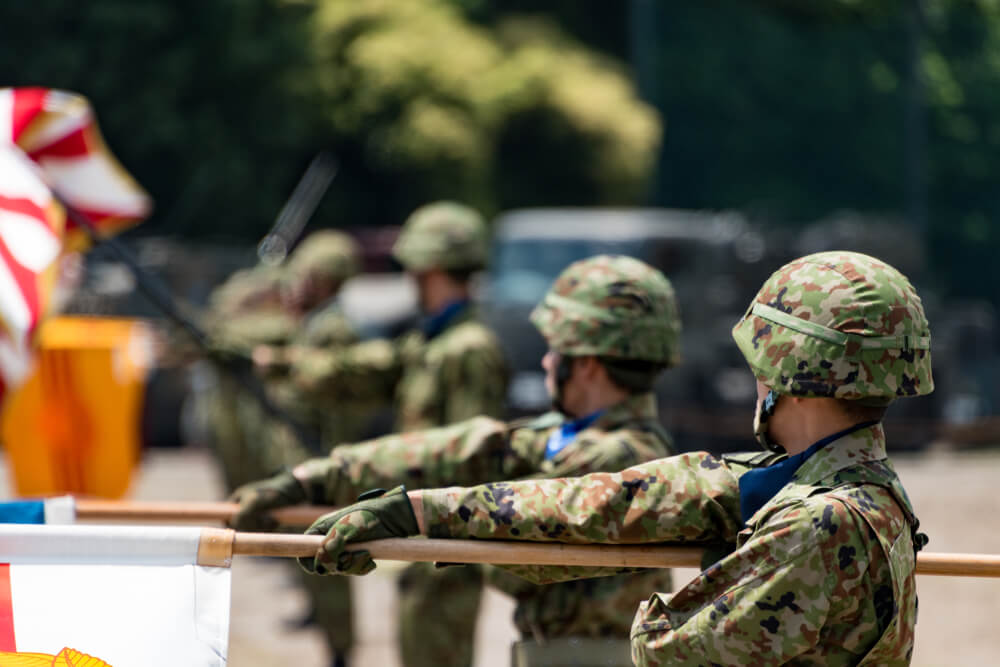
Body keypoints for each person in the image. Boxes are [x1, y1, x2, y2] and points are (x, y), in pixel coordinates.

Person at [305, 250, 932, 666]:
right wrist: (416, 512)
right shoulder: (812, 484)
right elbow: (600, 502)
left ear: (786, 368)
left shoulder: (818, 524)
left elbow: (665, 653)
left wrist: (673, 575)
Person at [230, 255, 683, 667]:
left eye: (555, 350)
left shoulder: (619, 459)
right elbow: (459, 449)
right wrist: (317, 478)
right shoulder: (574, 435)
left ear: (586, 364)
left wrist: (405, 521)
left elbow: (509, 533)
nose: (546, 362)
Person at [243, 202, 508, 667]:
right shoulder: (431, 342)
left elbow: (475, 457)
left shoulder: (469, 349)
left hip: (446, 542)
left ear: (433, 270)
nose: (410, 281)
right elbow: (364, 370)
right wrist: (284, 364)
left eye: (416, 271)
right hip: (424, 533)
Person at [205, 230, 366, 667]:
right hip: (309, 463)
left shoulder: (330, 329)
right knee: (315, 558)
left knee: (332, 562)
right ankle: (333, 640)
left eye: (309, 276)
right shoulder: (315, 323)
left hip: (322, 464)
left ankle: (341, 649)